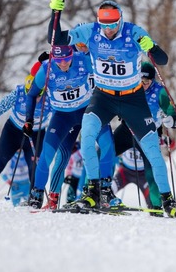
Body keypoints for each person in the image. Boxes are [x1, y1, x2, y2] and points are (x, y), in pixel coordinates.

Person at [46, 0, 176, 217]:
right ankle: (93, 191)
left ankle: (168, 201)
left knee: (153, 150)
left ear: (120, 19)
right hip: (103, 97)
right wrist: (56, 14)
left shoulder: (133, 32)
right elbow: (56, 40)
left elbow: (162, 60)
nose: (109, 29)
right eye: (105, 25)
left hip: (133, 99)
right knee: (88, 137)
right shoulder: (90, 31)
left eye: (113, 24)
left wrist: (151, 46)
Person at [24, 44, 115, 210]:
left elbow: (107, 74)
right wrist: (28, 120)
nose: (63, 63)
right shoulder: (46, 69)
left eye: (67, 59)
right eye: (59, 60)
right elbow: (31, 95)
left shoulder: (83, 60)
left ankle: (105, 191)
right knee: (51, 154)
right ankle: (42, 196)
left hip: (88, 110)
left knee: (107, 142)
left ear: (72, 54)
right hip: (62, 116)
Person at [0, 54, 52, 208]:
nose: (33, 99)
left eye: (37, 95)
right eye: (30, 95)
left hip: (36, 135)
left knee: (35, 168)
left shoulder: (50, 97)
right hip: (13, 132)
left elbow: (61, 116)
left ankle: (34, 201)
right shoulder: (19, 92)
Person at [112, 61, 176, 214]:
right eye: (140, 81)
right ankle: (99, 193)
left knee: (151, 170)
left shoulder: (159, 91)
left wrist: (173, 119)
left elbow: (173, 111)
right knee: (105, 152)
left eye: (147, 81)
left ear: (152, 80)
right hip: (128, 129)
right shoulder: (129, 85)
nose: (143, 85)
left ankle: (156, 205)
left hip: (149, 132)